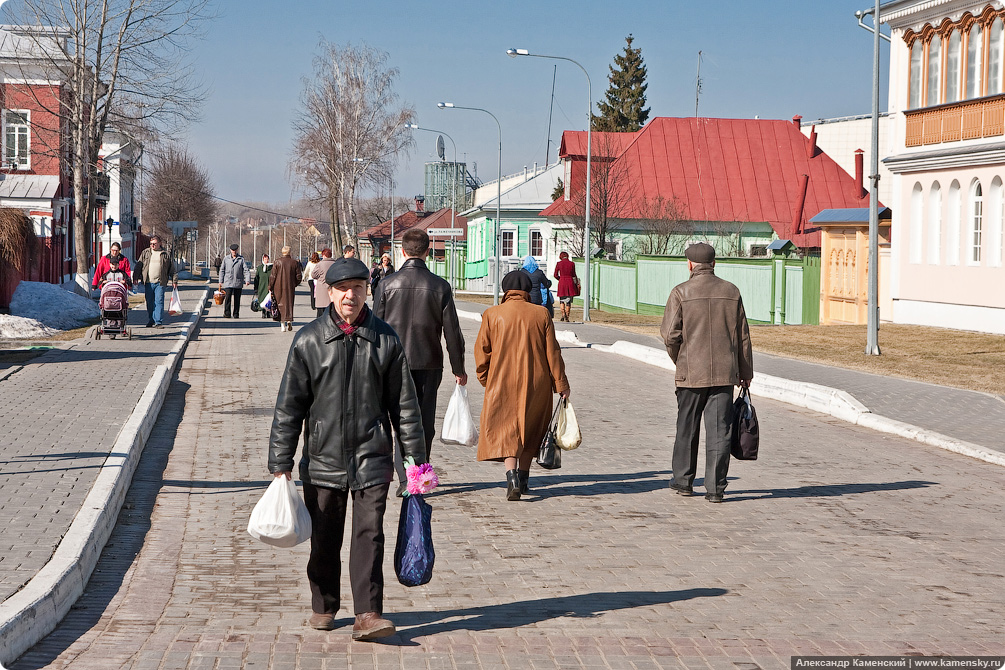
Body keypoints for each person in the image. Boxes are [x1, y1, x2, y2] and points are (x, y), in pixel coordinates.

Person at [268, 256, 426, 639]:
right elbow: (290, 406)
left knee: (369, 536)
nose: (350, 296)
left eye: (357, 288)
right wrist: (280, 461)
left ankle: (368, 613)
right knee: (325, 538)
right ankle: (324, 604)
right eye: (343, 289)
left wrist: (416, 465)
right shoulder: (308, 340)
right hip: (323, 460)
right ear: (330, 292)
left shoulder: (385, 339)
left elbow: (405, 406)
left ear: (365, 291)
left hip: (372, 457)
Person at [374, 229, 467, 496]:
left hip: (393, 364)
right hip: (429, 363)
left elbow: (375, 328)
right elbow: (452, 333)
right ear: (428, 252)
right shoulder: (440, 286)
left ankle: (406, 477)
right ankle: (421, 474)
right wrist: (458, 369)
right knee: (425, 422)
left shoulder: (386, 285)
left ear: (402, 251)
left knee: (399, 420)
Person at [660, 242, 753, 504]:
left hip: (691, 374)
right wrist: (745, 372)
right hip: (725, 375)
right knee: (719, 431)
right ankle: (715, 489)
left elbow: (669, 336)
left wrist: (681, 360)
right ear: (714, 263)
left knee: (686, 428)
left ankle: (683, 481)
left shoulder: (681, 292)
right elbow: (743, 337)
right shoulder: (731, 292)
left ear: (689, 264)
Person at [474, 270, 571, 500]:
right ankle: (524, 476)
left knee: (508, 429)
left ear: (505, 289)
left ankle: (511, 476)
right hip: (537, 382)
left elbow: (482, 353)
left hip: (501, 381)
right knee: (531, 428)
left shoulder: (492, 314)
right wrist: (561, 384)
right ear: (528, 289)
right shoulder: (541, 314)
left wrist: (486, 379)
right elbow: (553, 353)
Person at [133, 234, 177, 328]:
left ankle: (158, 322)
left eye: (154, 244)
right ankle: (151, 320)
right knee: (149, 302)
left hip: (160, 282)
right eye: (151, 244)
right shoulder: (145, 253)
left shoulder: (165, 254)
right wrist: (135, 278)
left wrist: (174, 280)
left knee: (159, 301)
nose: (152, 246)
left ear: (160, 244)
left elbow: (172, 269)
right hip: (148, 282)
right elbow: (138, 266)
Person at [269, 245, 302, 332]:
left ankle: (282, 324)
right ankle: (289, 320)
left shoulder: (277, 262)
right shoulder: (294, 262)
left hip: (278, 287)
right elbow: (299, 276)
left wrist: (270, 286)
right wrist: (294, 284)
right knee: (289, 304)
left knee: (279, 304)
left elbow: (273, 276)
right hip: (290, 287)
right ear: (289, 252)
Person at [218, 243, 249, 318]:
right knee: (228, 298)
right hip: (228, 282)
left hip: (238, 282)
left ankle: (236, 313)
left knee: (237, 299)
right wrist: (220, 281)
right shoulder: (226, 259)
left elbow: (246, 270)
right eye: (232, 250)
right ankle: (227, 313)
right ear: (230, 250)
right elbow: (222, 270)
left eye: (235, 250)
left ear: (237, 250)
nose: (234, 252)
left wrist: (247, 280)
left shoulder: (241, 259)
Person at [553, 251, 578, 322]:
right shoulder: (572, 264)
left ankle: (563, 313)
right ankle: (567, 315)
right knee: (568, 301)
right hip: (570, 282)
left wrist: (560, 279)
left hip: (562, 282)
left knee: (562, 300)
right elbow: (573, 274)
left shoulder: (559, 264)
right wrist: (576, 282)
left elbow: (555, 275)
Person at [311, 248, 336, 318]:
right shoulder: (335, 264)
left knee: (320, 314)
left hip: (322, 290)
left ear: (323, 255)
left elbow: (313, 275)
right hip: (332, 289)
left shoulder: (320, 264)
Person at [253, 254, 273, 319]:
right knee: (262, 299)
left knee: (269, 300)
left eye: (267, 259)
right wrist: (255, 288)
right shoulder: (260, 268)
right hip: (261, 287)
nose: (266, 261)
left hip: (269, 287)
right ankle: (263, 312)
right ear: (263, 260)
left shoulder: (271, 268)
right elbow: (256, 279)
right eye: (265, 259)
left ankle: (269, 312)